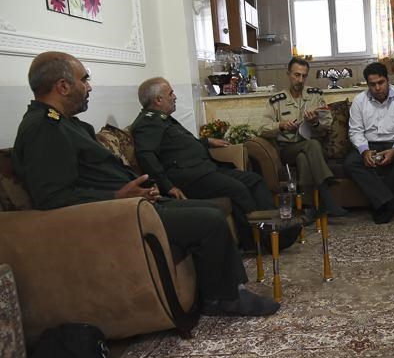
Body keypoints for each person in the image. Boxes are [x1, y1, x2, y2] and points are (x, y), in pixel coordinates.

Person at [13, 52, 279, 318]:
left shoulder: (67, 124)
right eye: (84, 80)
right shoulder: (43, 129)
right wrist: (117, 196)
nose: (89, 87)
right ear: (63, 86)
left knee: (209, 209)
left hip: (132, 204)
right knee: (209, 220)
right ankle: (226, 298)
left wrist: (140, 188)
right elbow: (53, 198)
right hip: (116, 215)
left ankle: (222, 290)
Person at [130, 77, 297, 252]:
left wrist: (207, 141)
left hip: (205, 169)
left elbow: (179, 145)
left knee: (254, 180)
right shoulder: (147, 123)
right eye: (170, 93)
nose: (175, 97)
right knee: (238, 189)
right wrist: (167, 186)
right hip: (190, 177)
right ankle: (256, 241)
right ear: (158, 100)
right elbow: (146, 155)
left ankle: (275, 228)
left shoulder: (163, 120)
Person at [258, 57, 348, 217]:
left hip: (312, 149)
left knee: (304, 157)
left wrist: (315, 123)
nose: (300, 80)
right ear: (288, 74)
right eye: (296, 75)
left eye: (304, 76)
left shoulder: (315, 95)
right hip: (288, 149)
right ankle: (326, 189)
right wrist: (281, 125)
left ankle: (308, 208)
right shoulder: (277, 101)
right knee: (311, 145)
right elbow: (262, 129)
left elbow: (327, 124)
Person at [344, 62, 394, 224]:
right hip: (369, 145)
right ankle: (390, 202)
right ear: (367, 84)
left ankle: (382, 203)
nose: (377, 88)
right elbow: (355, 131)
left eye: (381, 82)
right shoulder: (359, 101)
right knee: (350, 163)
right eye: (372, 84)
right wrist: (364, 151)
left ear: (387, 80)